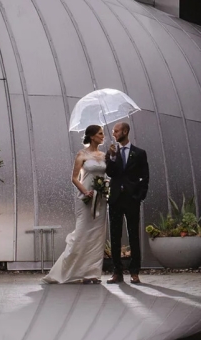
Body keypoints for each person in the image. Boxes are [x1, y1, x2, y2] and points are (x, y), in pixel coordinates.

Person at [42, 125, 108, 284]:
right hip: (86, 198)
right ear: (92, 136)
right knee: (81, 233)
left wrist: (105, 186)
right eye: (100, 133)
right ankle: (67, 271)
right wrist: (85, 191)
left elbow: (108, 174)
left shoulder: (104, 155)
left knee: (97, 235)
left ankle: (92, 273)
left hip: (100, 199)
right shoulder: (81, 154)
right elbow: (74, 178)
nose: (103, 136)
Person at [105, 121, 150, 284]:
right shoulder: (112, 152)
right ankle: (117, 271)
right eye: (113, 131)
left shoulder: (139, 153)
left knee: (133, 235)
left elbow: (145, 176)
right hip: (116, 199)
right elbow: (110, 173)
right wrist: (111, 157)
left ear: (125, 131)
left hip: (131, 199)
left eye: (116, 131)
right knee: (115, 236)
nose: (114, 134)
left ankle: (134, 271)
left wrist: (139, 196)